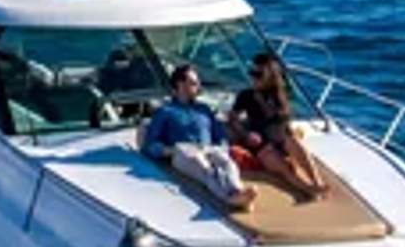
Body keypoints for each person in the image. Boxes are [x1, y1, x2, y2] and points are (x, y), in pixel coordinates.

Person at [138, 64, 250, 212]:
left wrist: (222, 148)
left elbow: (220, 135)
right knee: (204, 168)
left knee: (228, 164)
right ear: (180, 85)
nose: (198, 86)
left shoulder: (204, 109)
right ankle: (229, 197)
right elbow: (149, 145)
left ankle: (238, 190)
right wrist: (169, 150)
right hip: (183, 150)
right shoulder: (165, 111)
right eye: (194, 83)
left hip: (208, 148)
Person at [228, 48, 329, 198]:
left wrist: (290, 134)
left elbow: (282, 121)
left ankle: (317, 181)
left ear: (270, 76)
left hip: (281, 139)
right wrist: (246, 134)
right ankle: (307, 188)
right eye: (252, 73)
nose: (253, 78)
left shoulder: (280, 96)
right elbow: (232, 118)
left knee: (296, 145)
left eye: (258, 74)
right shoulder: (246, 96)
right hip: (261, 144)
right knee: (280, 165)